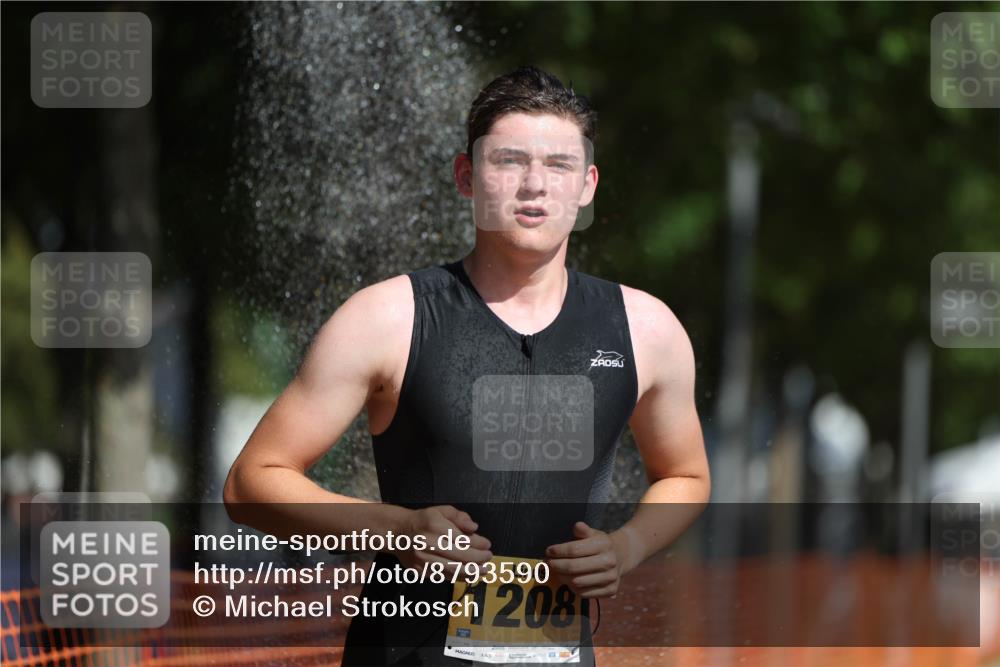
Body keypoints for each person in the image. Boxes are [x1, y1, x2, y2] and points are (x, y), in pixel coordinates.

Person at [224, 65, 710, 666]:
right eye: (508, 161)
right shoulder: (387, 318)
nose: (534, 185)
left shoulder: (646, 329)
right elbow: (251, 482)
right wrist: (395, 529)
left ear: (586, 185)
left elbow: (686, 476)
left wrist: (628, 546)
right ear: (467, 175)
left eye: (558, 165)